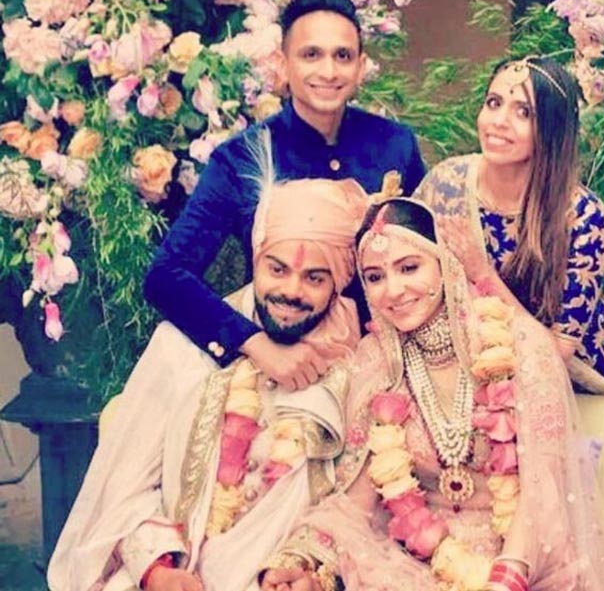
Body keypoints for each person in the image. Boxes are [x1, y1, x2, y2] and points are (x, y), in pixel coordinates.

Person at [260, 198, 604, 591]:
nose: (393, 290)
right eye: (375, 276)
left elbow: (544, 490)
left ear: (445, 264)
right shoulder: (377, 361)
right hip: (413, 561)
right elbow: (359, 495)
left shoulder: (520, 346)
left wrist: (505, 580)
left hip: (525, 555)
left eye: (409, 267)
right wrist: (301, 558)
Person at [415, 57, 604, 590]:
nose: (499, 121)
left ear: (553, 130)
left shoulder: (579, 213)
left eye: (524, 113)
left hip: (571, 366)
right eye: (494, 103)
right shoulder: (446, 185)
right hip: (468, 354)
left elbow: (559, 348)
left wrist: (484, 285)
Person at [47, 177, 369, 591]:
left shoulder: (357, 367)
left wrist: (304, 569)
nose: (291, 291)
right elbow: (124, 488)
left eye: (315, 278)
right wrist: (156, 569)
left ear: (339, 281)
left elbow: (356, 506)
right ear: (256, 259)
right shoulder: (181, 348)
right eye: (277, 269)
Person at [143, 0, 426, 390]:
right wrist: (255, 345)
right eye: (311, 54)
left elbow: (429, 255)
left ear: (360, 66)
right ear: (282, 62)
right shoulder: (241, 159)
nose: (328, 71)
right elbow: (166, 275)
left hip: (387, 367)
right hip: (281, 367)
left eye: (342, 56)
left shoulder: (394, 145)